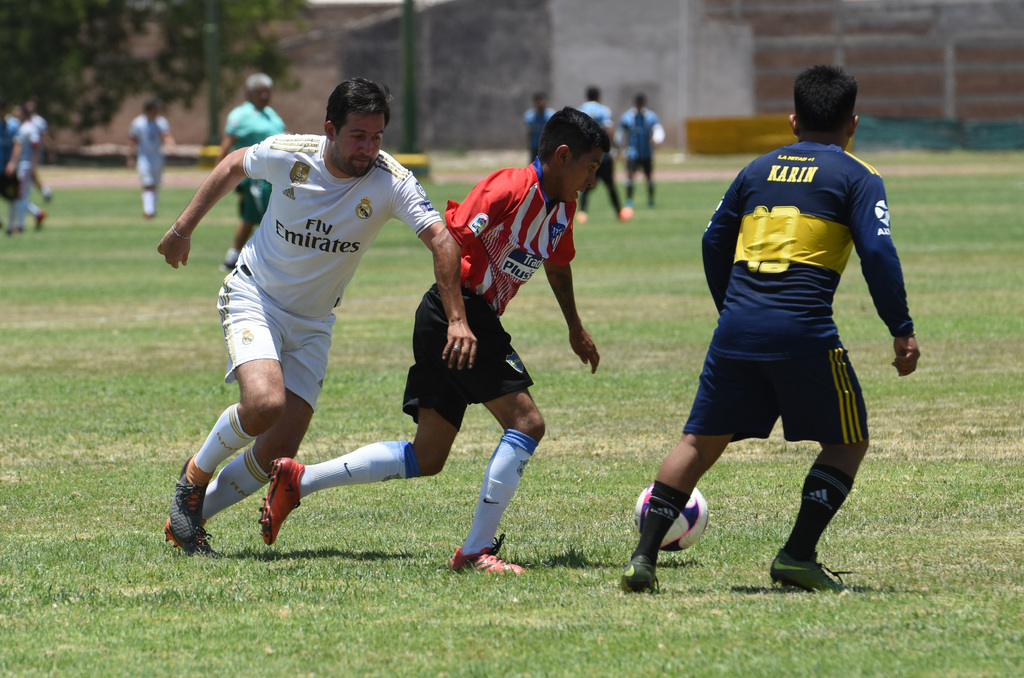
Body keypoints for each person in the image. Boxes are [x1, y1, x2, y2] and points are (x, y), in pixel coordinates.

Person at [258, 107, 608, 574]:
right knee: (527, 424)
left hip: (460, 317)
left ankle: (300, 480)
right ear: (563, 156)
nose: (593, 179)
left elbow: (557, 264)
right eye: (591, 167)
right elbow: (449, 243)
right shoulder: (507, 187)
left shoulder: (563, 208)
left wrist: (574, 327)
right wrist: (458, 320)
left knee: (427, 456)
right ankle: (475, 552)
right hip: (457, 313)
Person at [620, 65, 920, 594]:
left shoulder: (756, 170)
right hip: (803, 328)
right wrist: (900, 326)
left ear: (791, 121)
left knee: (698, 442)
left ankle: (643, 559)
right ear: (853, 124)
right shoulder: (859, 176)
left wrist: (730, 307)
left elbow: (713, 240)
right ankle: (797, 556)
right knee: (848, 441)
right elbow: (877, 249)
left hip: (737, 328)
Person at [158, 77, 472, 556]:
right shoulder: (293, 154)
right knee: (264, 404)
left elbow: (444, 241)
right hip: (254, 296)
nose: (368, 148)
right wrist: (182, 229)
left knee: (276, 451)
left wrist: (457, 318)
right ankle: (192, 480)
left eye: (377, 137)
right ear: (330, 129)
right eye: (358, 136)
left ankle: (187, 521)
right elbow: (232, 164)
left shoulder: (391, 180)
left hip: (314, 323)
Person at [217, 73, 287, 272]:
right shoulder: (241, 115)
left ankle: (234, 258)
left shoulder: (271, 114)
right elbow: (227, 145)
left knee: (251, 217)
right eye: (260, 91)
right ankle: (262, 257)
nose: (265, 96)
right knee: (268, 215)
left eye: (268, 92)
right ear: (248, 92)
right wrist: (219, 176)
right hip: (254, 177)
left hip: (273, 176)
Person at [577, 86, 631, 224]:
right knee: (610, 185)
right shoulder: (603, 110)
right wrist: (617, 147)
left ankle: (582, 212)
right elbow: (609, 130)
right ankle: (619, 212)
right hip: (603, 156)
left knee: (586, 184)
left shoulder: (580, 111)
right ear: (598, 96)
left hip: (586, 156)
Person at [127, 98, 175, 219]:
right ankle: (149, 211)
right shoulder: (138, 123)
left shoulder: (161, 122)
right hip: (144, 158)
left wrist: (171, 145)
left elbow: (166, 136)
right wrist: (130, 157)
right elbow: (133, 141)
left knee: (155, 184)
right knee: (148, 184)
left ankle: (151, 208)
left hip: (157, 157)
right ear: (148, 110)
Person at [617, 93, 664, 209]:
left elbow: (658, 130)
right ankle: (629, 200)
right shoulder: (627, 117)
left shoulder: (650, 116)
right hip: (632, 153)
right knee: (630, 175)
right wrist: (617, 147)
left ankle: (651, 199)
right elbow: (620, 133)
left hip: (646, 152)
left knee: (649, 177)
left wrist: (657, 139)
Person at [4, 104, 41, 235]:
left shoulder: (29, 128)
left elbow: (35, 145)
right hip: (17, 167)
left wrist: (34, 166)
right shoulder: (15, 126)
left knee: (20, 197)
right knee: (16, 197)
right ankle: (20, 223)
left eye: (18, 112)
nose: (15, 114)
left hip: (25, 166)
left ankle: (20, 226)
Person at [24, 98, 54, 203]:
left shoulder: (39, 121)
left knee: (31, 172)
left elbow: (45, 136)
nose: (30, 108)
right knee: (31, 175)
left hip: (34, 151)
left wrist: (50, 151)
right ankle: (45, 191)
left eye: (31, 106)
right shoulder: (22, 120)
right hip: (23, 152)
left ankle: (44, 191)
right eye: (28, 106)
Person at [0, 98, 18, 230]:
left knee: (12, 197)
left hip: (7, 169)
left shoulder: (12, 125)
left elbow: (17, 145)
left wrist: (12, 162)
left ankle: (10, 227)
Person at [524, 91, 555, 163]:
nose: (541, 103)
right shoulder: (530, 116)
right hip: (535, 146)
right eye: (539, 101)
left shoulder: (550, 115)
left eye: (542, 100)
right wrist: (528, 145)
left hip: (546, 147)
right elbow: (529, 132)